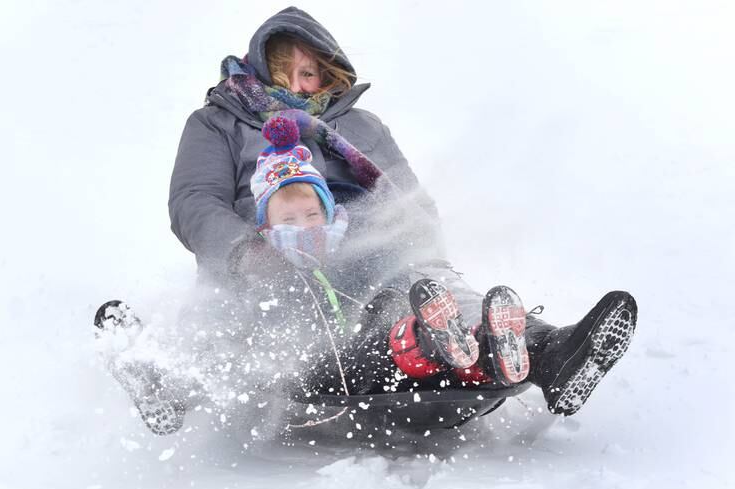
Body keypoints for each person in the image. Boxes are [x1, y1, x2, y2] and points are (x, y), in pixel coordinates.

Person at [95, 7, 638, 435]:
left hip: (367, 257)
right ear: (269, 63)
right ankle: (166, 378)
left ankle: (546, 353)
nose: (308, 86)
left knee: (429, 287)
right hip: (271, 259)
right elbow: (194, 201)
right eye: (297, 71)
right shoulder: (219, 123)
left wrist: (423, 255)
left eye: (319, 74)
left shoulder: (359, 123)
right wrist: (246, 252)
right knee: (270, 327)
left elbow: (408, 199)